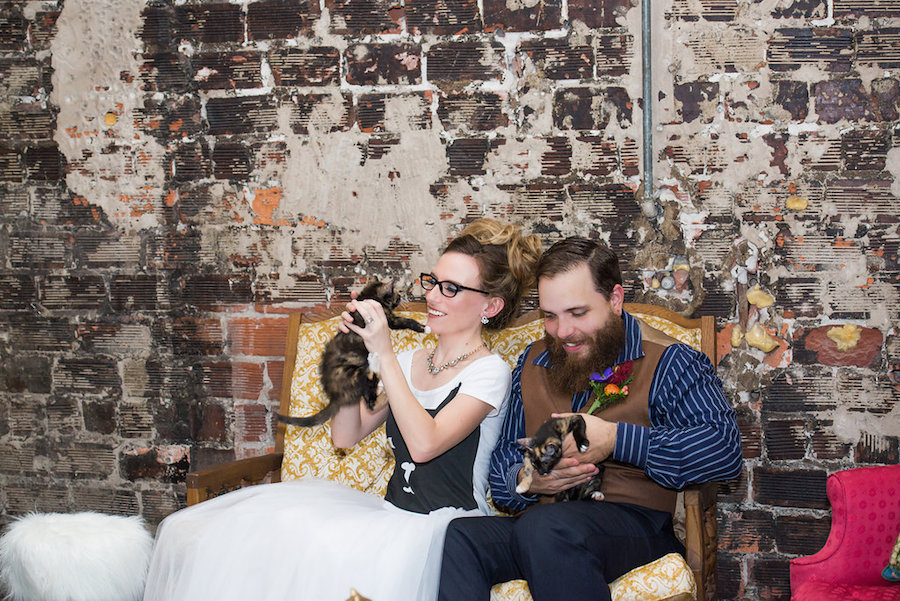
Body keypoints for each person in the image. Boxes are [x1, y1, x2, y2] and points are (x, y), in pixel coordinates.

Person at [142, 218, 542, 601]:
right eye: (433, 282)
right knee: (271, 530)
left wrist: (384, 353)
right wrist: (351, 358)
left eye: (451, 288)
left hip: (445, 527)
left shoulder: (490, 372)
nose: (432, 296)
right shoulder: (407, 363)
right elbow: (345, 435)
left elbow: (424, 444)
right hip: (389, 516)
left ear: (490, 306)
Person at [438, 237, 743, 601]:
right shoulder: (532, 361)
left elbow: (723, 450)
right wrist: (526, 481)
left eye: (578, 313)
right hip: (542, 526)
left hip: (635, 524)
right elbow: (503, 463)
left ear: (614, 299)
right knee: (459, 536)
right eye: (550, 316)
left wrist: (616, 440)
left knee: (546, 529)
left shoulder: (672, 361)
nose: (563, 331)